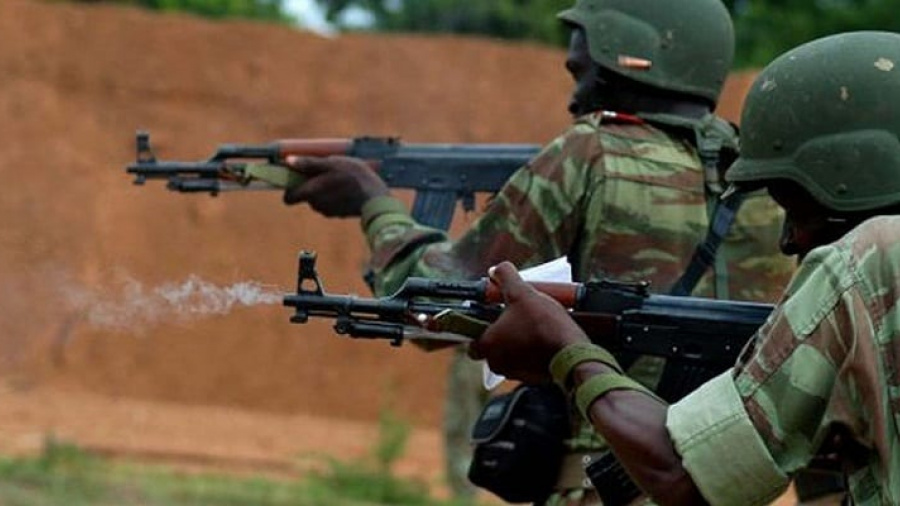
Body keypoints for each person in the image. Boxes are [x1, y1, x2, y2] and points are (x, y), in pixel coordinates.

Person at [283, 0, 793, 502]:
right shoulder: (771, 183)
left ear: (627, 58)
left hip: (603, 483)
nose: (574, 98)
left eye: (581, 72)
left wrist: (373, 203)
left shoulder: (591, 151)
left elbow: (434, 300)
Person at [469, 30, 900, 505]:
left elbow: (685, 475)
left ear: (858, 168)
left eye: (796, 206)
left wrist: (565, 347)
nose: (788, 240)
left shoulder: (871, 257)